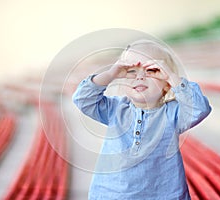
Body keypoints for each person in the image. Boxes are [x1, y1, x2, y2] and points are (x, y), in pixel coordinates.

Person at [72, 39, 211, 200]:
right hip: (109, 194)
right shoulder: (114, 110)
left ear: (167, 85)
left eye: (151, 70)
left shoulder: (173, 114)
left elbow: (200, 109)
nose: (140, 77)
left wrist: (172, 77)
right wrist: (111, 73)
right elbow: (82, 99)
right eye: (131, 71)